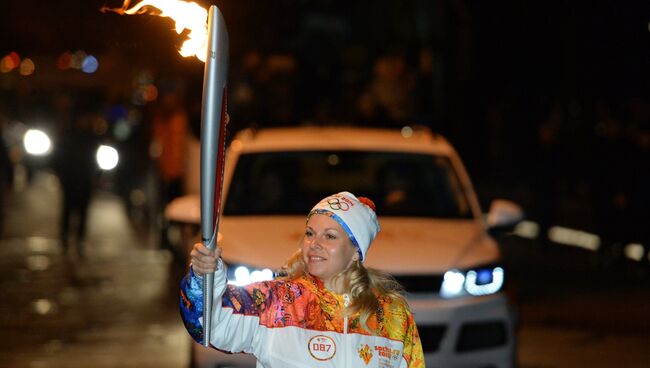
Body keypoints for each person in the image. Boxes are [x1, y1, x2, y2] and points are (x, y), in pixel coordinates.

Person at [180, 192, 424, 368]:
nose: (314, 244)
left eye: (329, 236)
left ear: (356, 252)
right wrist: (205, 276)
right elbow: (209, 325)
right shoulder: (276, 301)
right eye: (310, 233)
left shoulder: (393, 315)